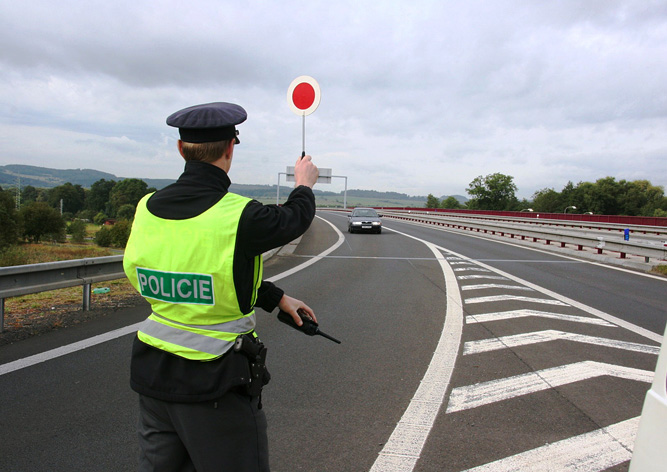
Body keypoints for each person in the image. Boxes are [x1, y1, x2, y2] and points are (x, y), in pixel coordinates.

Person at [123, 101, 319, 472]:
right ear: (230, 149)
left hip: (153, 377)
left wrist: (277, 298)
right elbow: (295, 219)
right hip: (214, 382)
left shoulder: (147, 207)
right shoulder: (239, 214)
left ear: (181, 150)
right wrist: (303, 184)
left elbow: (207, 273)